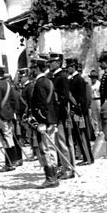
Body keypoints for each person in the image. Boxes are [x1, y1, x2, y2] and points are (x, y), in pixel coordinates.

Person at [30, 54, 64, 188]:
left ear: (37, 68)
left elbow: (42, 104)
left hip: (44, 121)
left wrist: (41, 121)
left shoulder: (40, 83)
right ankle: (53, 176)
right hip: (51, 120)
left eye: (32, 68)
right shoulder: (48, 81)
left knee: (46, 149)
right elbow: (54, 103)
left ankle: (51, 177)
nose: (31, 70)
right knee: (51, 148)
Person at [48, 53, 75, 170]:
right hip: (57, 114)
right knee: (60, 141)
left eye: (52, 62)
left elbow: (63, 98)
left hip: (62, 113)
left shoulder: (62, 77)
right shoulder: (54, 76)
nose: (49, 64)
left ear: (58, 63)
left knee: (64, 142)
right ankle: (65, 166)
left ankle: (69, 168)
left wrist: (57, 111)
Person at [0, 63, 18, 172]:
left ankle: (10, 163)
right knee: (9, 138)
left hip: (1, 115)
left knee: (6, 140)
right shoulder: (8, 84)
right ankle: (13, 160)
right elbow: (12, 101)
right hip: (9, 115)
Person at [67, 58, 94, 165]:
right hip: (74, 110)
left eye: (69, 67)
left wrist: (79, 111)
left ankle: (88, 158)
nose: (67, 69)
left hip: (78, 111)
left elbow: (82, 98)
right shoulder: (72, 79)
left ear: (73, 67)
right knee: (78, 135)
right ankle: (85, 157)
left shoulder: (79, 80)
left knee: (82, 135)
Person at [88, 69, 102, 136]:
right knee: (94, 116)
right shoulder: (90, 84)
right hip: (93, 100)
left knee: (99, 114)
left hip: (98, 99)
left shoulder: (99, 84)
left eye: (93, 77)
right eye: (91, 77)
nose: (92, 79)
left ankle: (101, 129)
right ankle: (96, 130)